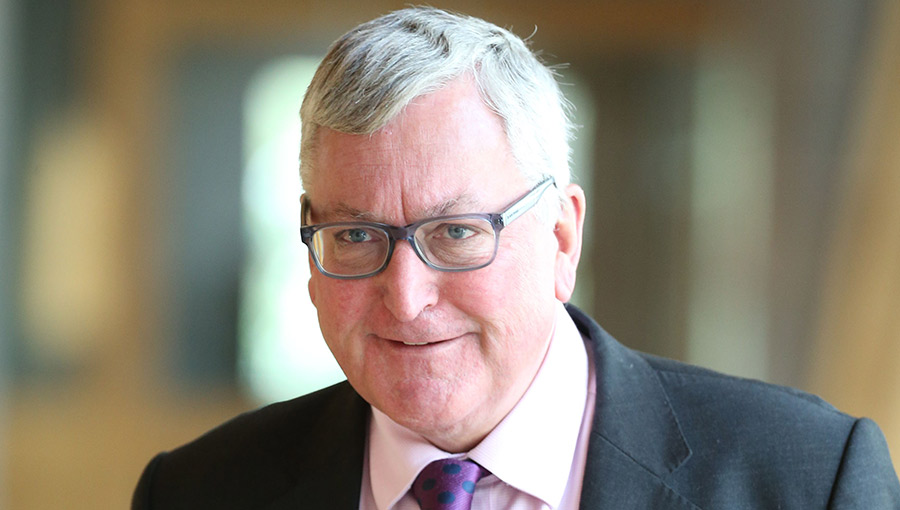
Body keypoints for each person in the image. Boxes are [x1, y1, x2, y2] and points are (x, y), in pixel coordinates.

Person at [132, 7, 900, 509]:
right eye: (357, 236)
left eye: (457, 232)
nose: (406, 298)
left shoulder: (807, 482)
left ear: (562, 237)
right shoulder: (198, 493)